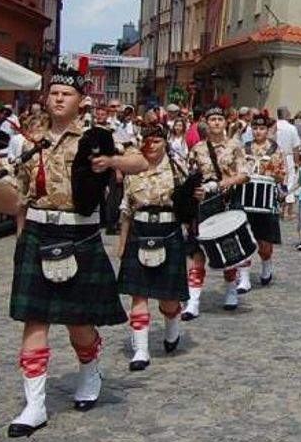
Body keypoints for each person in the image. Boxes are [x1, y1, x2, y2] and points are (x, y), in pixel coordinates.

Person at [0, 59, 147, 438]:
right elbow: (18, 195)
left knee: (79, 324)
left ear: (80, 100)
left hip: (79, 234)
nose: (58, 98)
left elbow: (141, 161)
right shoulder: (30, 139)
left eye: (66, 93)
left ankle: (89, 371)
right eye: (54, 92)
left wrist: (111, 161)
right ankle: (34, 405)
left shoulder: (97, 135)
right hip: (39, 231)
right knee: (34, 321)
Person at [117, 123, 188, 371]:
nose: (151, 145)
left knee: (168, 300)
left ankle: (172, 324)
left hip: (169, 230)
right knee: (138, 293)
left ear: (165, 143)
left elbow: (189, 202)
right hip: (140, 229)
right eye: (147, 140)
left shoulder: (178, 167)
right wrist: (122, 242)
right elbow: (126, 208)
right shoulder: (133, 168)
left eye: (156, 140)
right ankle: (141, 350)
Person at [184, 102, 247, 314]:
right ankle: (193, 301)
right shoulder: (198, 149)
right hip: (203, 204)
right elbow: (189, 177)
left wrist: (221, 184)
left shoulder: (234, 146)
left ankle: (231, 291)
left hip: (227, 200)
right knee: (197, 251)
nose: (217, 123)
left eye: (220, 119)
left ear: (225, 122)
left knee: (229, 249)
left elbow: (244, 175)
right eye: (213, 119)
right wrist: (194, 191)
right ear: (206, 123)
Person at [238, 113, 287, 290]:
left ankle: (267, 265)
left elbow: (282, 175)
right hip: (245, 199)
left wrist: (277, 175)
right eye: (255, 128)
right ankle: (244, 279)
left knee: (264, 245)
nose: (258, 132)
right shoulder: (244, 149)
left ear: (267, 130)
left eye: (262, 128)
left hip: (266, 201)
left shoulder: (275, 150)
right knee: (244, 240)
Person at [275, 106, 301, 220]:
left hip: (275, 157)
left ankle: (277, 208)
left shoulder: (274, 126)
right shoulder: (291, 128)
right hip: (288, 156)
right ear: (286, 115)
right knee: (289, 183)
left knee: (277, 182)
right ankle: (286, 211)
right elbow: (296, 147)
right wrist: (297, 162)